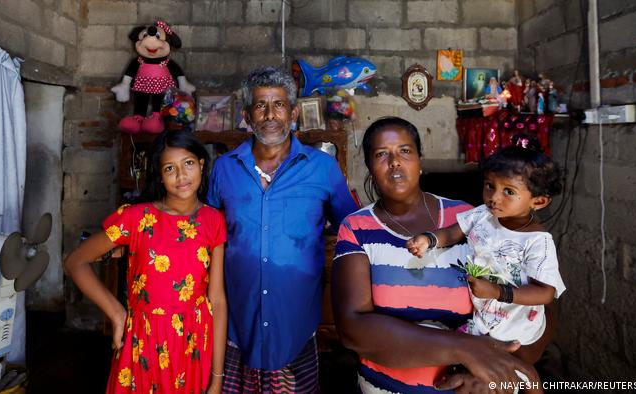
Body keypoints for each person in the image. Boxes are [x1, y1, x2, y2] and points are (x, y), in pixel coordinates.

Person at [332, 117, 553, 394]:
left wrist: (498, 370)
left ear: (420, 160)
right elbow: (352, 328)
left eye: (405, 151)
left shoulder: (472, 220)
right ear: (369, 167)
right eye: (381, 154)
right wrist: (467, 349)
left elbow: (532, 305)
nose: (395, 161)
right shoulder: (356, 228)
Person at [207, 66, 358, 392]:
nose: (270, 114)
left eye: (278, 105)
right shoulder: (224, 169)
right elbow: (201, 231)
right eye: (260, 105)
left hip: (296, 321)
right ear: (247, 115)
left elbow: (353, 228)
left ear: (293, 113)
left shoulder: (322, 168)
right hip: (238, 320)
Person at [64, 131, 227, 394]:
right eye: (170, 168)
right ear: (160, 176)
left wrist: (217, 378)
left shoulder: (213, 220)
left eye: (188, 163)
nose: (181, 176)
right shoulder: (136, 218)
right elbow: (76, 261)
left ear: (201, 164)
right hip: (144, 340)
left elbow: (217, 300)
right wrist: (117, 314)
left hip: (193, 343)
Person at [409, 133, 565, 348]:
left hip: (516, 323)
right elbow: (453, 232)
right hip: (483, 313)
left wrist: (497, 292)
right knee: (468, 346)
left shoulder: (537, 241)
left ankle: (497, 353)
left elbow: (545, 292)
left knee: (494, 362)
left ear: (538, 201)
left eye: (508, 191)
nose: (494, 197)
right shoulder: (483, 215)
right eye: (490, 186)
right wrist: (429, 239)